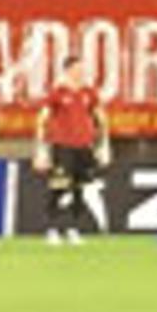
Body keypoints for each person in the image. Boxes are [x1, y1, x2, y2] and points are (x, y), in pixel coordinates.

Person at [36, 68, 108, 245]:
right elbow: (42, 118)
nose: (80, 72)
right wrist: (41, 148)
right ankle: (52, 229)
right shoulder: (58, 93)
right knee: (58, 188)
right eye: (77, 69)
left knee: (80, 189)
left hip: (84, 147)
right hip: (62, 147)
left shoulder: (88, 93)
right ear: (68, 71)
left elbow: (101, 118)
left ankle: (73, 229)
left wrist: (104, 145)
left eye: (81, 69)